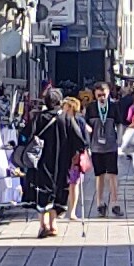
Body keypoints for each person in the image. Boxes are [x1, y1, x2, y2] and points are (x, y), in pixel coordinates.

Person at [28, 96, 84, 239]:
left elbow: (26, 135)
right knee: (58, 190)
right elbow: (79, 139)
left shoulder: (39, 118)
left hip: (42, 162)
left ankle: (43, 224)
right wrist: (75, 154)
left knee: (42, 190)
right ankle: (53, 225)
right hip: (62, 162)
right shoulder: (66, 118)